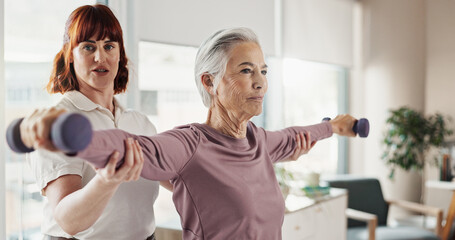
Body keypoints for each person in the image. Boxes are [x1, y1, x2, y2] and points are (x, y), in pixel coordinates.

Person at [21, 27, 357, 240]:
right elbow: (130, 146)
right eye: (245, 70)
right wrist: (68, 135)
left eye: (263, 71)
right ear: (209, 82)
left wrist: (333, 127)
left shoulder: (258, 140)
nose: (260, 82)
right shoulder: (189, 145)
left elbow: (295, 135)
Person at [24, 4, 166, 240]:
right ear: (70, 55)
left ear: (120, 54)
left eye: (109, 46)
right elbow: (69, 221)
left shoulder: (140, 123)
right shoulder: (57, 122)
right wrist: (106, 181)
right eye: (88, 46)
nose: (100, 57)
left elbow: (173, 176)